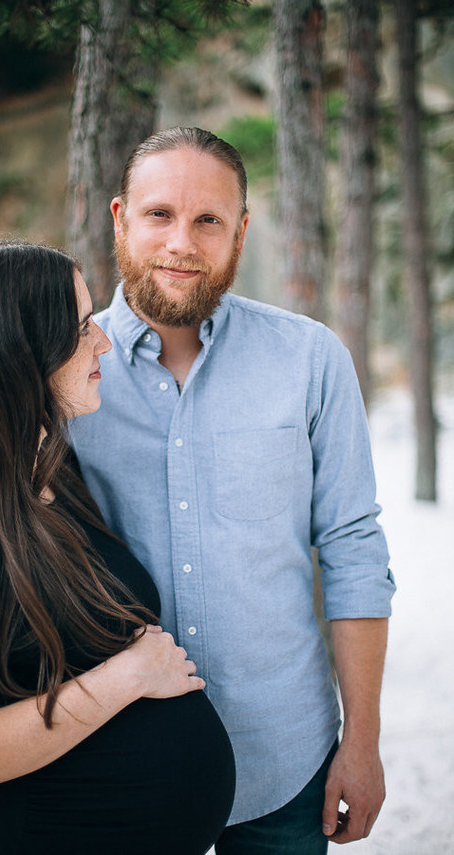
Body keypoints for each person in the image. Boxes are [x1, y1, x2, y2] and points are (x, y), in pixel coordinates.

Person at [68, 127, 397, 854]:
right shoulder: (62, 370)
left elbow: (353, 549)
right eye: (160, 214)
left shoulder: (310, 359)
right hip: (121, 763)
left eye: (208, 219)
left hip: (285, 758)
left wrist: (363, 743)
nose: (182, 241)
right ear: (120, 218)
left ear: (241, 232)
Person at [0, 240, 236, 855]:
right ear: (13, 352)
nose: (102, 342)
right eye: (79, 329)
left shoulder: (50, 472)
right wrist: (126, 678)